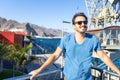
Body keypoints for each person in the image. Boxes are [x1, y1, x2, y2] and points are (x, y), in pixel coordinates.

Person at [29, 12, 120, 80]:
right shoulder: (66, 39)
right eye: (79, 22)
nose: (83, 24)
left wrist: (118, 72)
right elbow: (55, 55)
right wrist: (39, 70)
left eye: (85, 22)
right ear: (74, 26)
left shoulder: (92, 39)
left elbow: (104, 57)